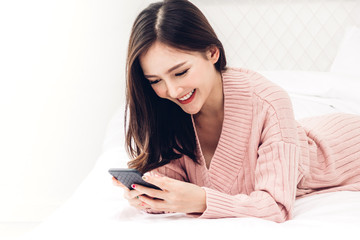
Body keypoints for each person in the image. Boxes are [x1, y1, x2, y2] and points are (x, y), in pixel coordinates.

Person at [112, 0, 360, 222]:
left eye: (181, 72)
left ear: (212, 52)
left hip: (346, 148)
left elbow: (276, 206)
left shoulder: (268, 102)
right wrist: (149, 196)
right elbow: (173, 182)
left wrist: (201, 200)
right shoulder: (168, 109)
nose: (173, 90)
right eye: (155, 80)